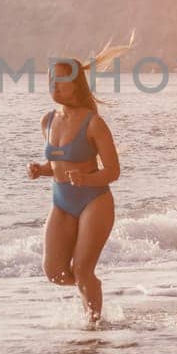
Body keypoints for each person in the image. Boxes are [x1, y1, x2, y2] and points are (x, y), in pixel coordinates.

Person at [26, 32, 134, 325]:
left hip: (94, 200)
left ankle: (94, 325)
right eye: (52, 81)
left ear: (76, 86)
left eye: (62, 82)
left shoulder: (94, 123)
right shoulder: (47, 120)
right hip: (61, 201)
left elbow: (113, 171)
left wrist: (86, 180)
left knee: (83, 269)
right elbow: (57, 162)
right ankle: (93, 294)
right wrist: (41, 169)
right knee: (55, 272)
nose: (56, 87)